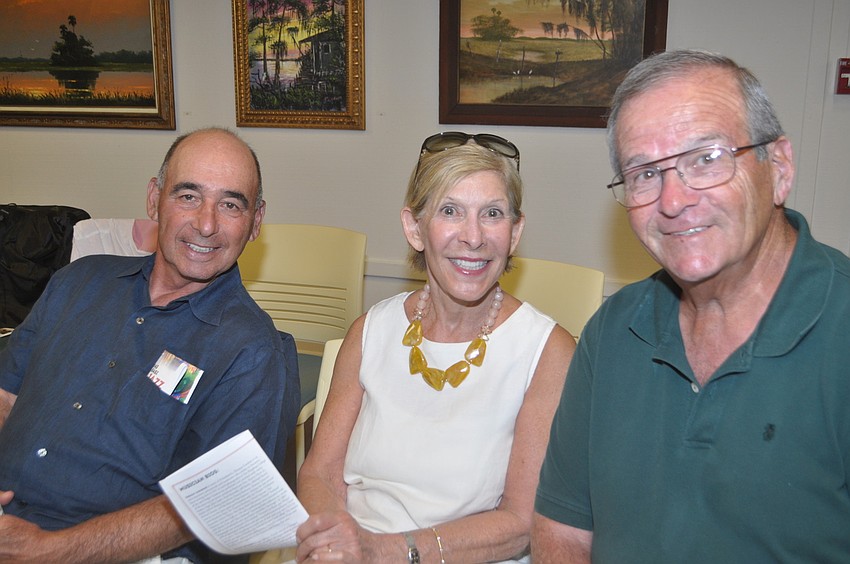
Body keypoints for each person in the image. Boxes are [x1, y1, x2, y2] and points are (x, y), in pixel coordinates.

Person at [532, 49, 850, 562]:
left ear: (780, 168)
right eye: (644, 173)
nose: (673, 201)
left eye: (705, 158)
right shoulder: (613, 330)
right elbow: (563, 529)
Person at [0, 128, 300, 563]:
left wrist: (51, 551)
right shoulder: (79, 281)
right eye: (188, 196)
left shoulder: (250, 352)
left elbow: (219, 501)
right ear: (154, 199)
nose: (207, 224)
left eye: (231, 204)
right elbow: (6, 394)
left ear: (255, 222)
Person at [296, 132, 575, 563]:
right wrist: (336, 545)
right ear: (414, 228)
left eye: (493, 214)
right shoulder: (369, 332)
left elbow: (521, 523)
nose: (474, 237)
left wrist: (386, 552)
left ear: (515, 232)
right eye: (450, 211)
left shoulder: (547, 351)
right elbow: (320, 474)